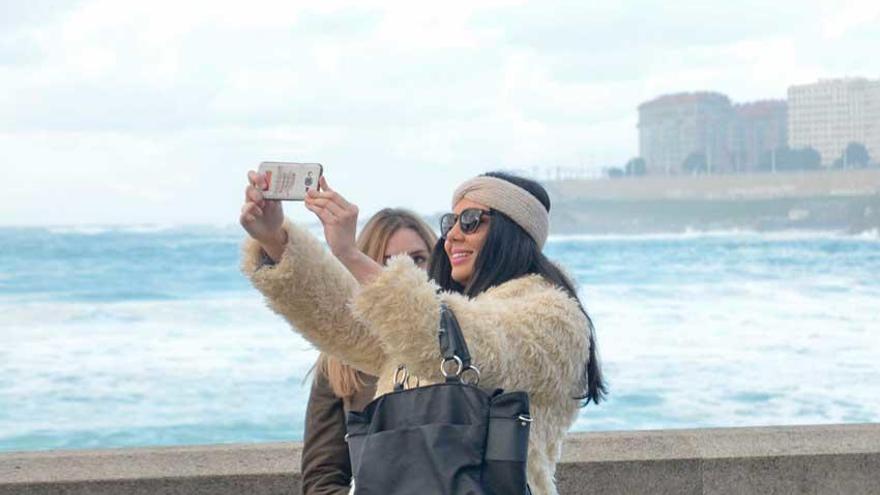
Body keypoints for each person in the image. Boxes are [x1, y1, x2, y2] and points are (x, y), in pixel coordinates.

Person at [240, 171, 605, 495]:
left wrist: (351, 254)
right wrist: (277, 242)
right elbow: (348, 322)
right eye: (450, 223)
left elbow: (459, 345)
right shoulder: (446, 311)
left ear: (513, 231)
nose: (452, 237)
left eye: (471, 221)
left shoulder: (551, 315)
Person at [301, 208, 436, 495]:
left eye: (418, 259)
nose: (404, 272)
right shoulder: (340, 360)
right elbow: (320, 481)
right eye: (386, 262)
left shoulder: (464, 341)